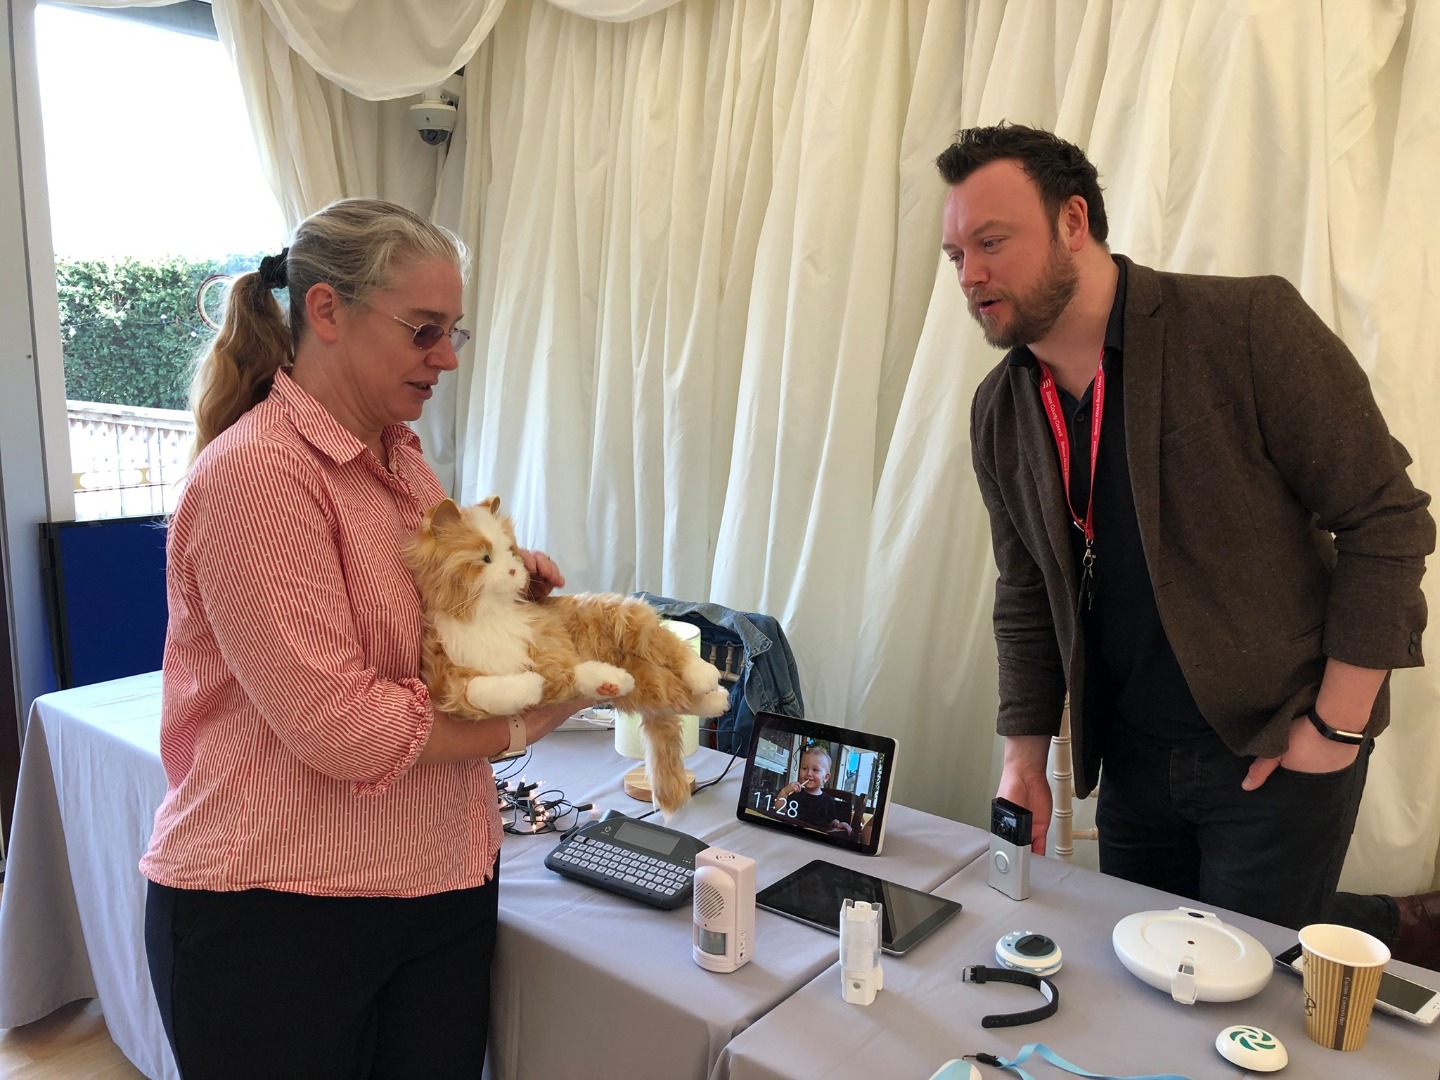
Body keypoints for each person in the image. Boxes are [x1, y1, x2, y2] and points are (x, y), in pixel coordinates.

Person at [935, 123, 1439, 969]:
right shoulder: (1002, 407)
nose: (971, 274)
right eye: (955, 255)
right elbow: (1025, 591)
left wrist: (1334, 730)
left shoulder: (1243, 325)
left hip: (1278, 750)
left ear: (1072, 222)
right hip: (1130, 767)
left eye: (991, 241)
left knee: (1257, 1004)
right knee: (1152, 986)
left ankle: (1394, 929)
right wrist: (1024, 756)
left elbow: (1386, 519)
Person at [139, 198, 594, 1078]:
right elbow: (343, 727)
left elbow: (429, 649)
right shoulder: (257, 476)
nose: (448, 357)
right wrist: (530, 720)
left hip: (430, 886)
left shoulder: (401, 460)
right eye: (425, 329)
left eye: (456, 331)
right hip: (278, 913)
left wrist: (509, 607)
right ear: (326, 312)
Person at [776, 743, 854, 836]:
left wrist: (838, 824)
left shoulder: (828, 802)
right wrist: (784, 792)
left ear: (825, 777)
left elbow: (832, 821)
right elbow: (780, 810)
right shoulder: (794, 794)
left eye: (815, 770)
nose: (808, 773)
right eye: (804, 768)